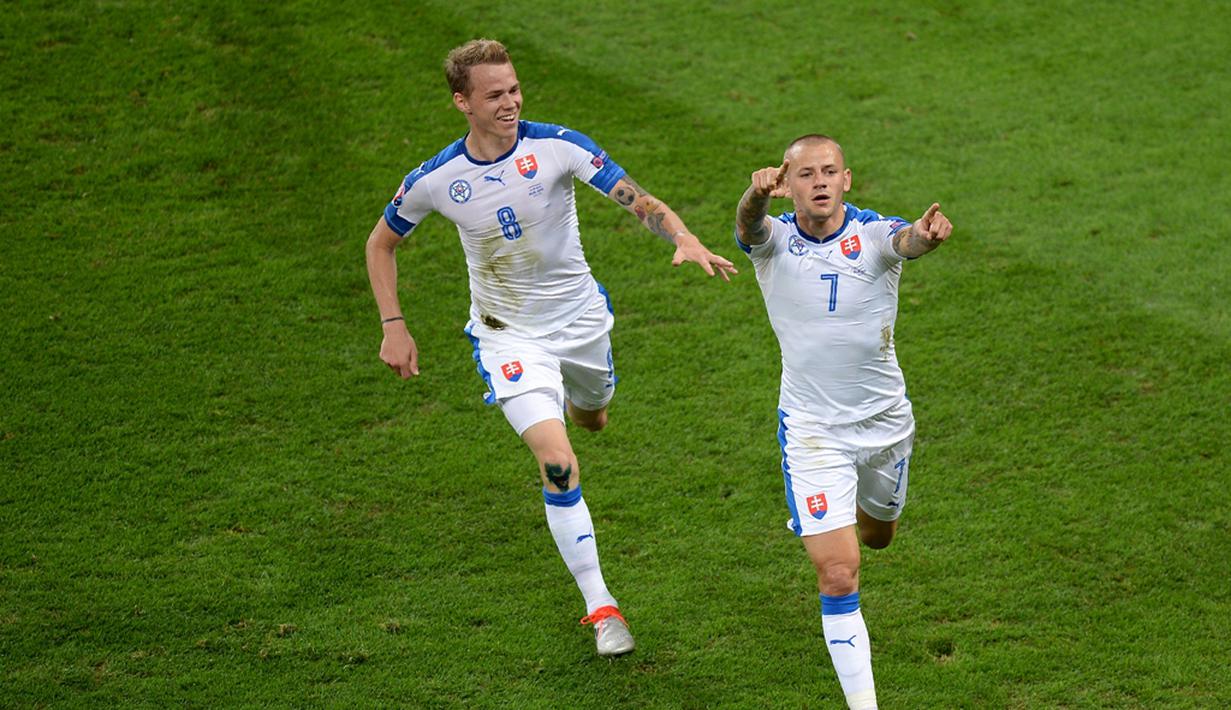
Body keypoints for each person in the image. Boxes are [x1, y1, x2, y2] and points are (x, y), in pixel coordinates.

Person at [365, 39, 737, 657]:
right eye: (494, 95)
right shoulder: (434, 180)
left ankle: (580, 404)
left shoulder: (559, 146)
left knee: (592, 417)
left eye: (513, 89)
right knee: (559, 461)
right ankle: (602, 608)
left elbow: (637, 198)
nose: (510, 102)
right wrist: (393, 323)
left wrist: (683, 236)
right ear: (463, 102)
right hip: (508, 335)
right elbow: (380, 243)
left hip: (582, 324)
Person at [734, 135, 952, 708]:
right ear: (788, 181)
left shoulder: (875, 235)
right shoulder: (775, 239)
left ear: (847, 179)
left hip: (885, 425)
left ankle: (862, 508)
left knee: (878, 536)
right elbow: (747, 227)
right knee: (839, 573)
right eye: (806, 174)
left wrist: (925, 237)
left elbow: (906, 242)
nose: (821, 182)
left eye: (830, 171)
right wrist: (754, 197)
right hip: (812, 432)